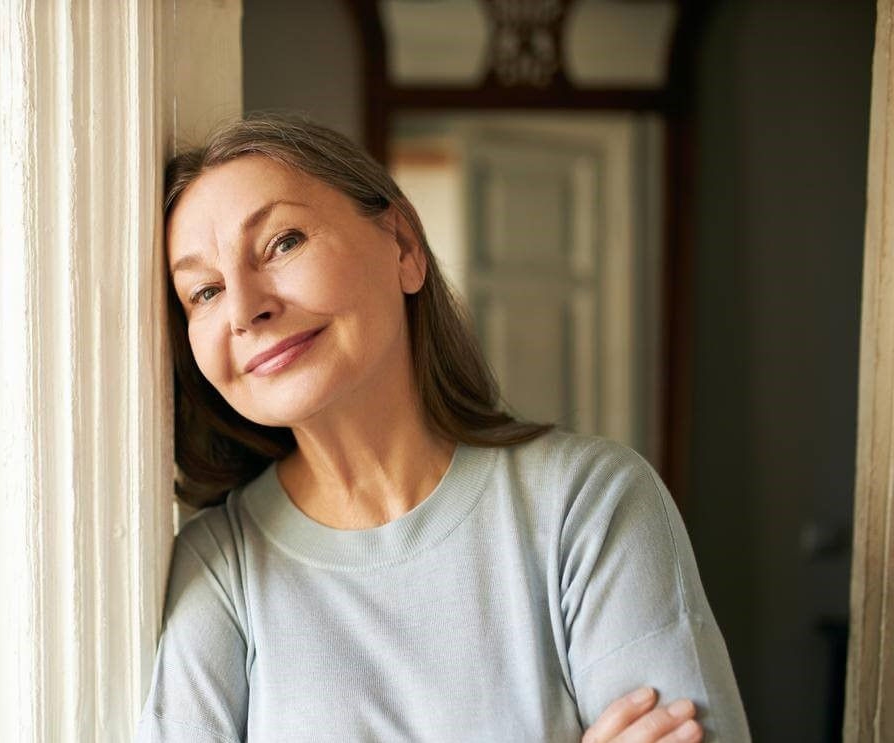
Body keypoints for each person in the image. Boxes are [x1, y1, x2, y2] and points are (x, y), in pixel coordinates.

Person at [137, 114, 750, 742]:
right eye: (204, 292)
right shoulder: (220, 566)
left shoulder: (588, 503)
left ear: (402, 246)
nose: (244, 309)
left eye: (282, 243)